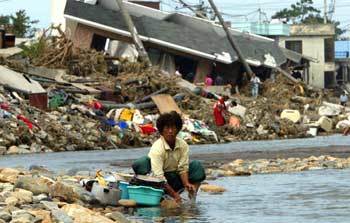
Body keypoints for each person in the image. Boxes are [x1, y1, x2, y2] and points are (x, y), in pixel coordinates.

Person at [132, 111, 206, 203]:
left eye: (173, 128)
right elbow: (159, 177)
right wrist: (175, 195)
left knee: (196, 166)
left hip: (175, 177)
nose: (170, 131)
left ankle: (191, 198)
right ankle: (165, 198)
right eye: (167, 128)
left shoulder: (183, 145)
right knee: (143, 162)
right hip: (158, 181)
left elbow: (183, 168)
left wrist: (186, 183)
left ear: (177, 129)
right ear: (162, 131)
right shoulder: (157, 148)